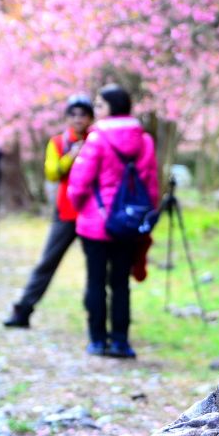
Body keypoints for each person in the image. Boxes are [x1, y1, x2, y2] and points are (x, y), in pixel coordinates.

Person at [68, 84, 158, 358]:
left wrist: (78, 205)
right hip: (127, 225)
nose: (95, 110)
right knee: (120, 283)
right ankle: (120, 341)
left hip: (96, 224)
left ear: (111, 108)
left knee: (96, 282)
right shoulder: (144, 141)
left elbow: (79, 182)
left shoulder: (96, 139)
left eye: (99, 105)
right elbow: (151, 185)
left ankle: (98, 341)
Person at [3, 94, 95, 328]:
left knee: (97, 269)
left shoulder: (98, 140)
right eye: (73, 114)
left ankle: (98, 320)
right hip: (65, 212)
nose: (78, 119)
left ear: (91, 117)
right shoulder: (57, 142)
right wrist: (71, 157)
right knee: (47, 262)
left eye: (83, 114)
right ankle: (23, 309)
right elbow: (52, 173)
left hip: (92, 214)